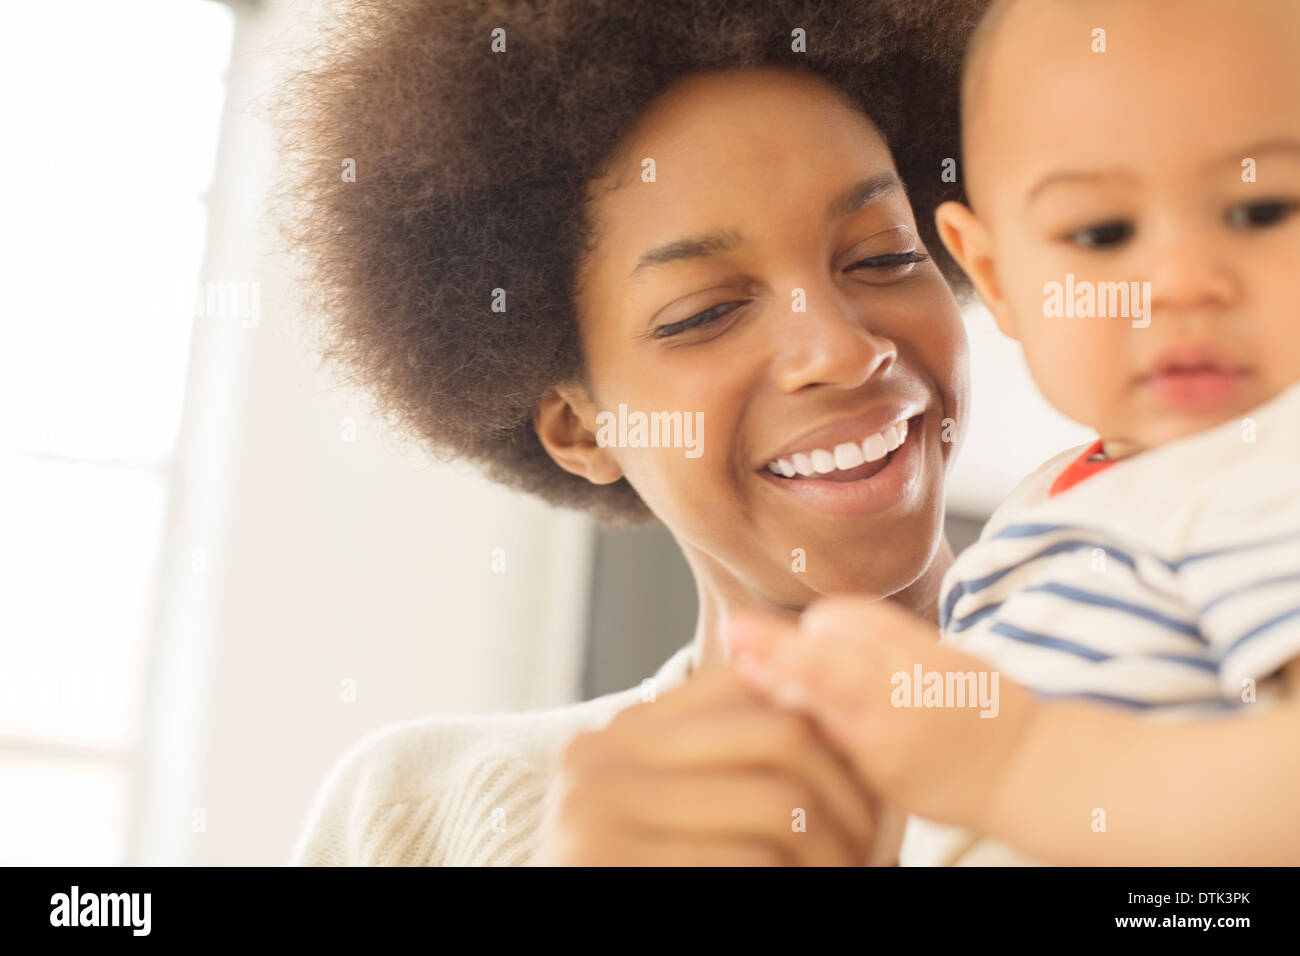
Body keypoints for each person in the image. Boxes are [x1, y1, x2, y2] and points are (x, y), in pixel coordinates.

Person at [280, 0, 989, 865]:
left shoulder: (1172, 728)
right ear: (581, 430)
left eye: (883, 257)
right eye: (708, 312)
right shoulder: (408, 813)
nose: (841, 349)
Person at [727, 0, 1300, 866]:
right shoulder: (1062, 494)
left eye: (1260, 211)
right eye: (1103, 232)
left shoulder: (1270, 473)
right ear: (995, 275)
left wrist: (1014, 766)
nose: (1184, 282)